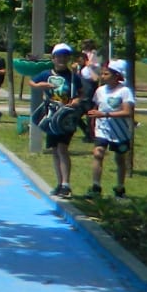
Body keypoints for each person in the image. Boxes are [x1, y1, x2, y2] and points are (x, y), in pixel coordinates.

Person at [30, 44, 82, 197]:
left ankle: (66, 183)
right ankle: (59, 183)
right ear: (53, 58)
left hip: (66, 116)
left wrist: (77, 101)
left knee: (62, 148)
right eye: (58, 56)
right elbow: (32, 82)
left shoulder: (72, 77)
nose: (61, 59)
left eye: (65, 56)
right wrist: (41, 85)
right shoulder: (46, 74)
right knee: (54, 149)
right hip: (51, 115)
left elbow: (81, 93)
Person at [86, 59, 136, 199]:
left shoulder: (124, 91)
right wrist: (93, 122)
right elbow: (96, 109)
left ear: (116, 75)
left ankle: (120, 188)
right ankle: (96, 186)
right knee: (98, 153)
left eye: (106, 74)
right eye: (102, 73)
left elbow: (128, 112)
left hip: (120, 132)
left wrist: (105, 114)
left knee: (120, 160)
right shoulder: (100, 91)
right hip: (102, 130)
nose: (102, 76)